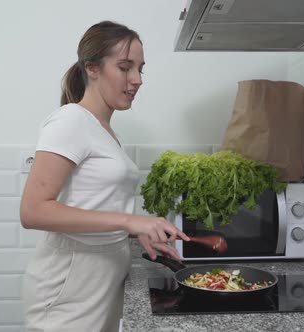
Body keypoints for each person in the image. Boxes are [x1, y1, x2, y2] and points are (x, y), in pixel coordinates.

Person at [19, 21, 190, 332]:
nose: (137, 79)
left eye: (140, 69)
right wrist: (130, 222)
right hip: (70, 286)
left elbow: (92, 204)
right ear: (92, 68)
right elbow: (33, 211)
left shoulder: (105, 131)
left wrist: (137, 232)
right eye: (125, 67)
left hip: (102, 279)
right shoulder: (70, 121)